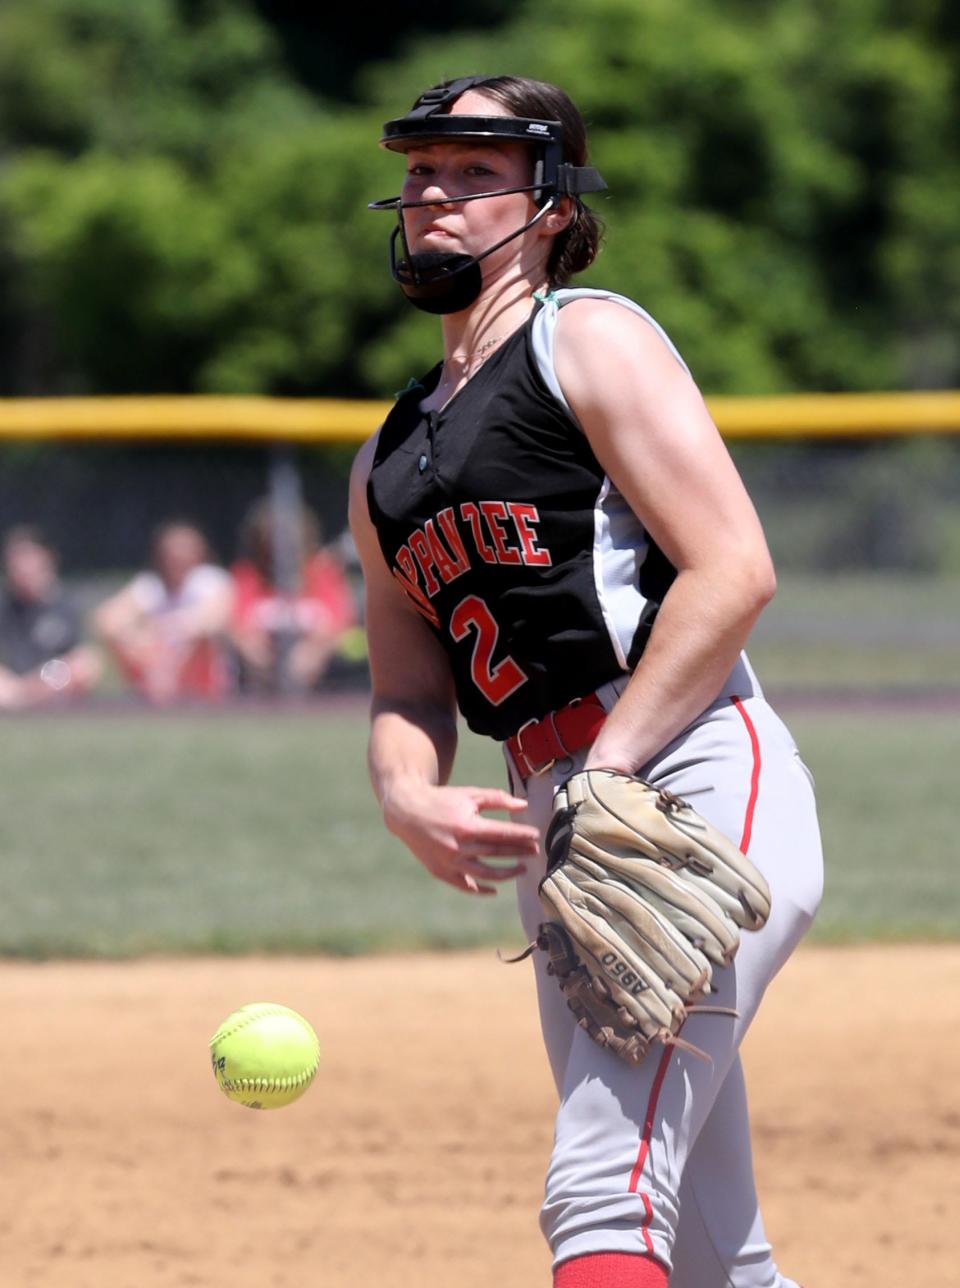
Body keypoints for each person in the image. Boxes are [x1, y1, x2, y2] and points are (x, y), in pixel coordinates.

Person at [349, 75, 823, 1288]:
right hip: (567, 816)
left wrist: (611, 774)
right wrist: (408, 795)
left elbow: (733, 570)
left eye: (474, 172)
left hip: (688, 771)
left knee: (602, 1178)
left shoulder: (586, 339)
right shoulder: (387, 458)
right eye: (420, 173)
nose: (433, 196)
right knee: (714, 1245)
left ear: (550, 204)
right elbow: (407, 686)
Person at [94, 519, 232, 704]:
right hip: (154, 663)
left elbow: (213, 621)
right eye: (172, 554)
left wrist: (167, 632)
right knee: (123, 644)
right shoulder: (151, 586)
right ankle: (154, 692)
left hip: (196, 669)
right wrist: (143, 642)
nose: (177, 559)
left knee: (202, 641)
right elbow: (106, 621)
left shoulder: (209, 580)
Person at [228, 497, 355, 694]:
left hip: (321, 676)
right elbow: (236, 626)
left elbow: (340, 623)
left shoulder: (322, 573)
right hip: (261, 676)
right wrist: (258, 655)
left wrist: (312, 652)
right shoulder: (247, 577)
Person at [0, 525, 101, 709]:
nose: (24, 569)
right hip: (9, 689)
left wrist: (37, 684)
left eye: (29, 561)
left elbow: (83, 660)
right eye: (17, 563)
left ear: (47, 560)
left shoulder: (66, 607)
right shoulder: (5, 608)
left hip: (53, 686)